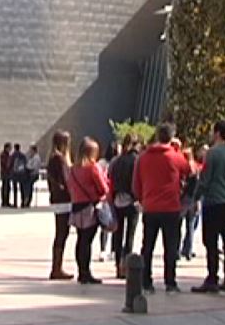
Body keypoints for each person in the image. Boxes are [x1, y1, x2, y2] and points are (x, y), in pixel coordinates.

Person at [133, 123, 190, 293]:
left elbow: (136, 184)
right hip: (171, 207)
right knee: (170, 246)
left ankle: (146, 281)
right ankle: (170, 281)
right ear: (171, 137)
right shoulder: (174, 156)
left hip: (150, 207)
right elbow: (189, 170)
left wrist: (142, 199)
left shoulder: (143, 157)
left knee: (147, 246)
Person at [192, 121, 225, 294]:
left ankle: (212, 277)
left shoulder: (212, 153)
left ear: (218, 133)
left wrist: (195, 197)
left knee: (211, 241)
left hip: (214, 201)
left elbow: (205, 179)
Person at [67, 137, 110, 284]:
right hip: (90, 208)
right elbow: (104, 188)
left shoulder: (73, 169)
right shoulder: (93, 168)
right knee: (88, 241)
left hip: (77, 207)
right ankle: (86, 273)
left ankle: (81, 271)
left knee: (80, 240)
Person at [107, 132, 141, 279]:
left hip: (117, 199)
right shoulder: (136, 160)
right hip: (131, 200)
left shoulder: (116, 161)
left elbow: (111, 178)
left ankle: (117, 265)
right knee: (130, 235)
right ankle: (126, 266)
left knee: (118, 233)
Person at [47, 131, 74, 280]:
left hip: (57, 200)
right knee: (62, 234)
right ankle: (56, 268)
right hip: (64, 201)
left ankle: (56, 266)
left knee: (60, 233)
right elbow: (66, 180)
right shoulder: (60, 159)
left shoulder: (52, 158)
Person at [179, 145, 201, 260]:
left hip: (184, 199)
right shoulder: (196, 167)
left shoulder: (184, 167)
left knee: (178, 225)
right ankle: (188, 250)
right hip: (193, 199)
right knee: (191, 226)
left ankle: (177, 250)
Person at [10, 144, 29, 209]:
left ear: (14, 148)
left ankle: (15, 203)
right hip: (22, 174)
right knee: (22, 189)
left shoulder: (12, 155)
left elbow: (10, 164)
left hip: (14, 174)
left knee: (15, 189)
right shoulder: (23, 155)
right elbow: (26, 164)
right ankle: (22, 202)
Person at [0, 143, 15, 208]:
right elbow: (6, 164)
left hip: (7, 173)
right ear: (6, 148)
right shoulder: (3, 154)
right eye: (10, 148)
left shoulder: (7, 154)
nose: (11, 149)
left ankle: (6, 201)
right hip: (5, 173)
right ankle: (4, 202)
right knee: (5, 187)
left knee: (7, 187)